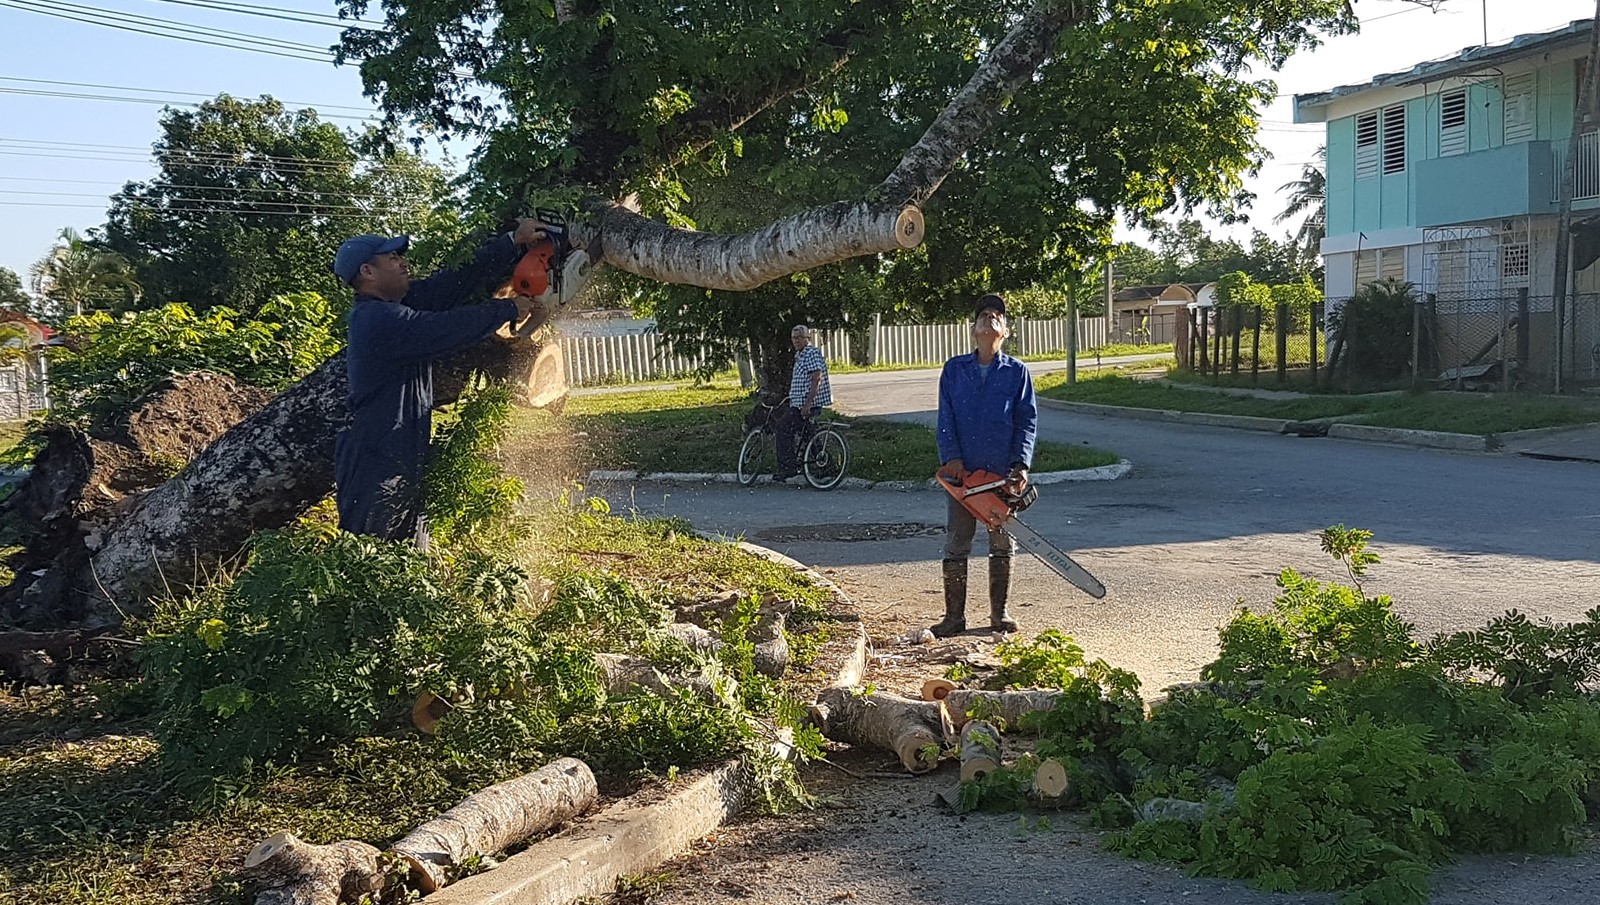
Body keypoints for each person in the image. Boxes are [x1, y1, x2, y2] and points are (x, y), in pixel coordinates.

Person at [332, 219, 548, 548]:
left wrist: (511, 243)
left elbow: (450, 285)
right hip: (376, 467)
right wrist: (505, 309)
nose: (403, 262)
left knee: (409, 563)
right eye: (391, 258)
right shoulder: (377, 320)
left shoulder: (397, 306)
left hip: (398, 457)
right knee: (371, 564)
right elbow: (442, 328)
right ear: (368, 272)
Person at [931, 293, 1037, 636]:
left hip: (1001, 473)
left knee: (1001, 541)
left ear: (1005, 331)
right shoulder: (955, 369)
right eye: (984, 315)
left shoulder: (1017, 373)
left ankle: (999, 614)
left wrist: (1021, 464)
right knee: (958, 539)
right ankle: (954, 617)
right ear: (973, 329)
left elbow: (1026, 421)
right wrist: (952, 458)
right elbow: (945, 417)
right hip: (963, 473)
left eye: (997, 316)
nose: (990, 318)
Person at [774, 324, 832, 481]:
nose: (796, 340)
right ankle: (826, 466)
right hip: (798, 402)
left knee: (782, 428)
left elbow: (816, 378)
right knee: (808, 433)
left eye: (800, 337)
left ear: (808, 338)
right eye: (794, 337)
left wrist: (808, 404)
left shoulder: (810, 353)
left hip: (806, 404)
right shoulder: (800, 355)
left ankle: (788, 469)